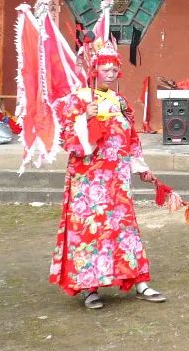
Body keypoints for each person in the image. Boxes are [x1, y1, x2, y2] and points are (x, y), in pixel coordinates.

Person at [49, 36, 166, 308]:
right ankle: (89, 288)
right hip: (88, 178)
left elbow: (131, 136)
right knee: (89, 230)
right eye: (105, 69)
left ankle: (140, 282)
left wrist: (139, 166)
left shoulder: (119, 102)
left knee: (125, 227)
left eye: (115, 69)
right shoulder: (78, 100)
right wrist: (85, 117)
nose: (111, 74)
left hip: (117, 177)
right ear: (94, 70)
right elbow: (66, 138)